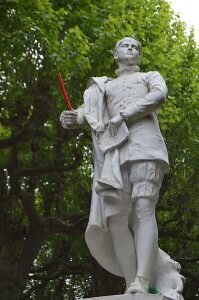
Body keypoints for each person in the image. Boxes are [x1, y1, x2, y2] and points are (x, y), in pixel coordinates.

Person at [60, 37, 184, 299]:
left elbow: (158, 95)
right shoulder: (103, 86)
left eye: (135, 46)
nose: (131, 49)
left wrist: (124, 115)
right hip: (114, 152)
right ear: (115, 54)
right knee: (115, 219)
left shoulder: (150, 75)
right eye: (125, 46)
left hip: (145, 146)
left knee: (143, 208)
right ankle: (132, 285)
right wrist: (74, 117)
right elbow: (89, 111)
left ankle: (142, 279)